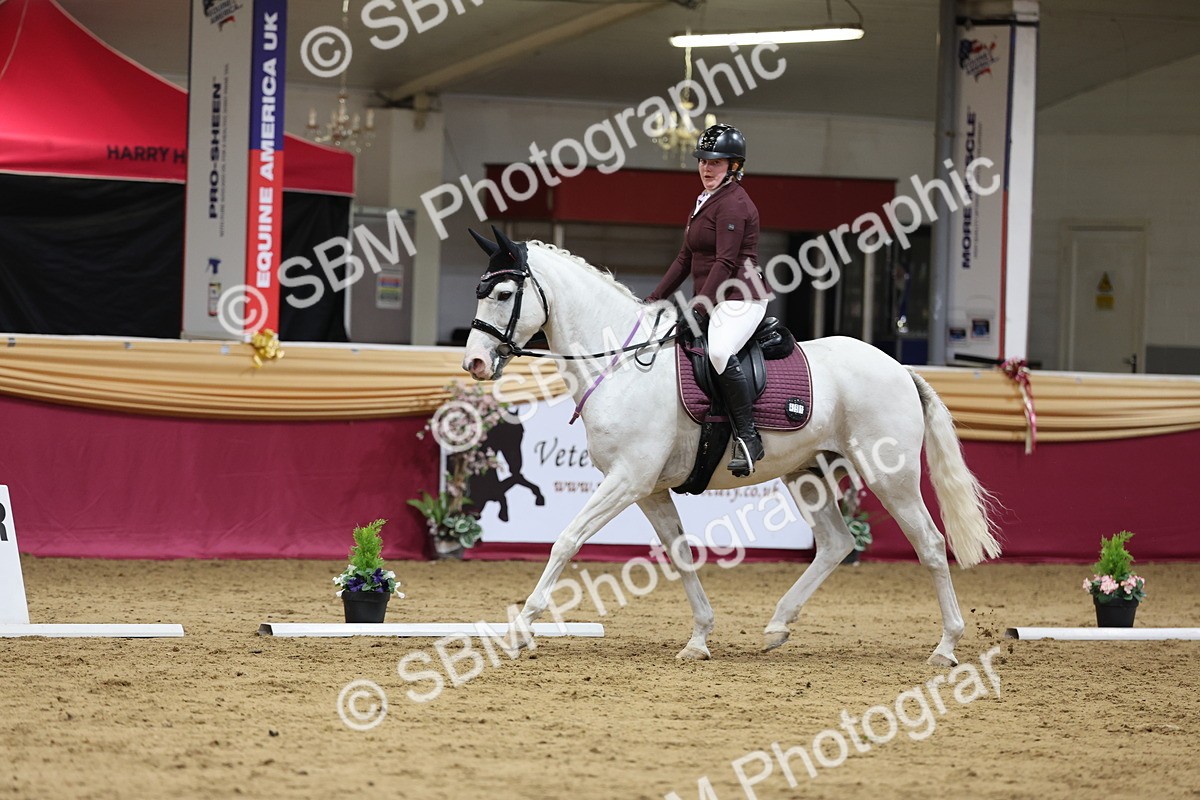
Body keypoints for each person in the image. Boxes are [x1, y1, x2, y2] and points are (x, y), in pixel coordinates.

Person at [644, 124, 769, 476]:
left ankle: (749, 436)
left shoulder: (735, 204)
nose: (706, 168)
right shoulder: (704, 201)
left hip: (740, 296)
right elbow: (685, 259)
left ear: (734, 165)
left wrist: (698, 306)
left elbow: (725, 263)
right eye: (703, 161)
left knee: (718, 350)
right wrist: (654, 299)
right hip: (714, 296)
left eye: (716, 162)